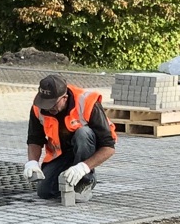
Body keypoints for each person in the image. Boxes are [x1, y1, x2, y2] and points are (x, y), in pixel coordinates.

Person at [25, 73, 115, 204]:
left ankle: (86, 181)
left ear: (65, 97)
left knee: (83, 133)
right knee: (44, 192)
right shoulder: (39, 106)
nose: (49, 108)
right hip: (63, 153)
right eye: (46, 104)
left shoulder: (87, 103)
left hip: (88, 148)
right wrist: (32, 162)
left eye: (53, 104)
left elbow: (109, 148)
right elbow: (34, 139)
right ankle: (69, 179)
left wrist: (83, 168)